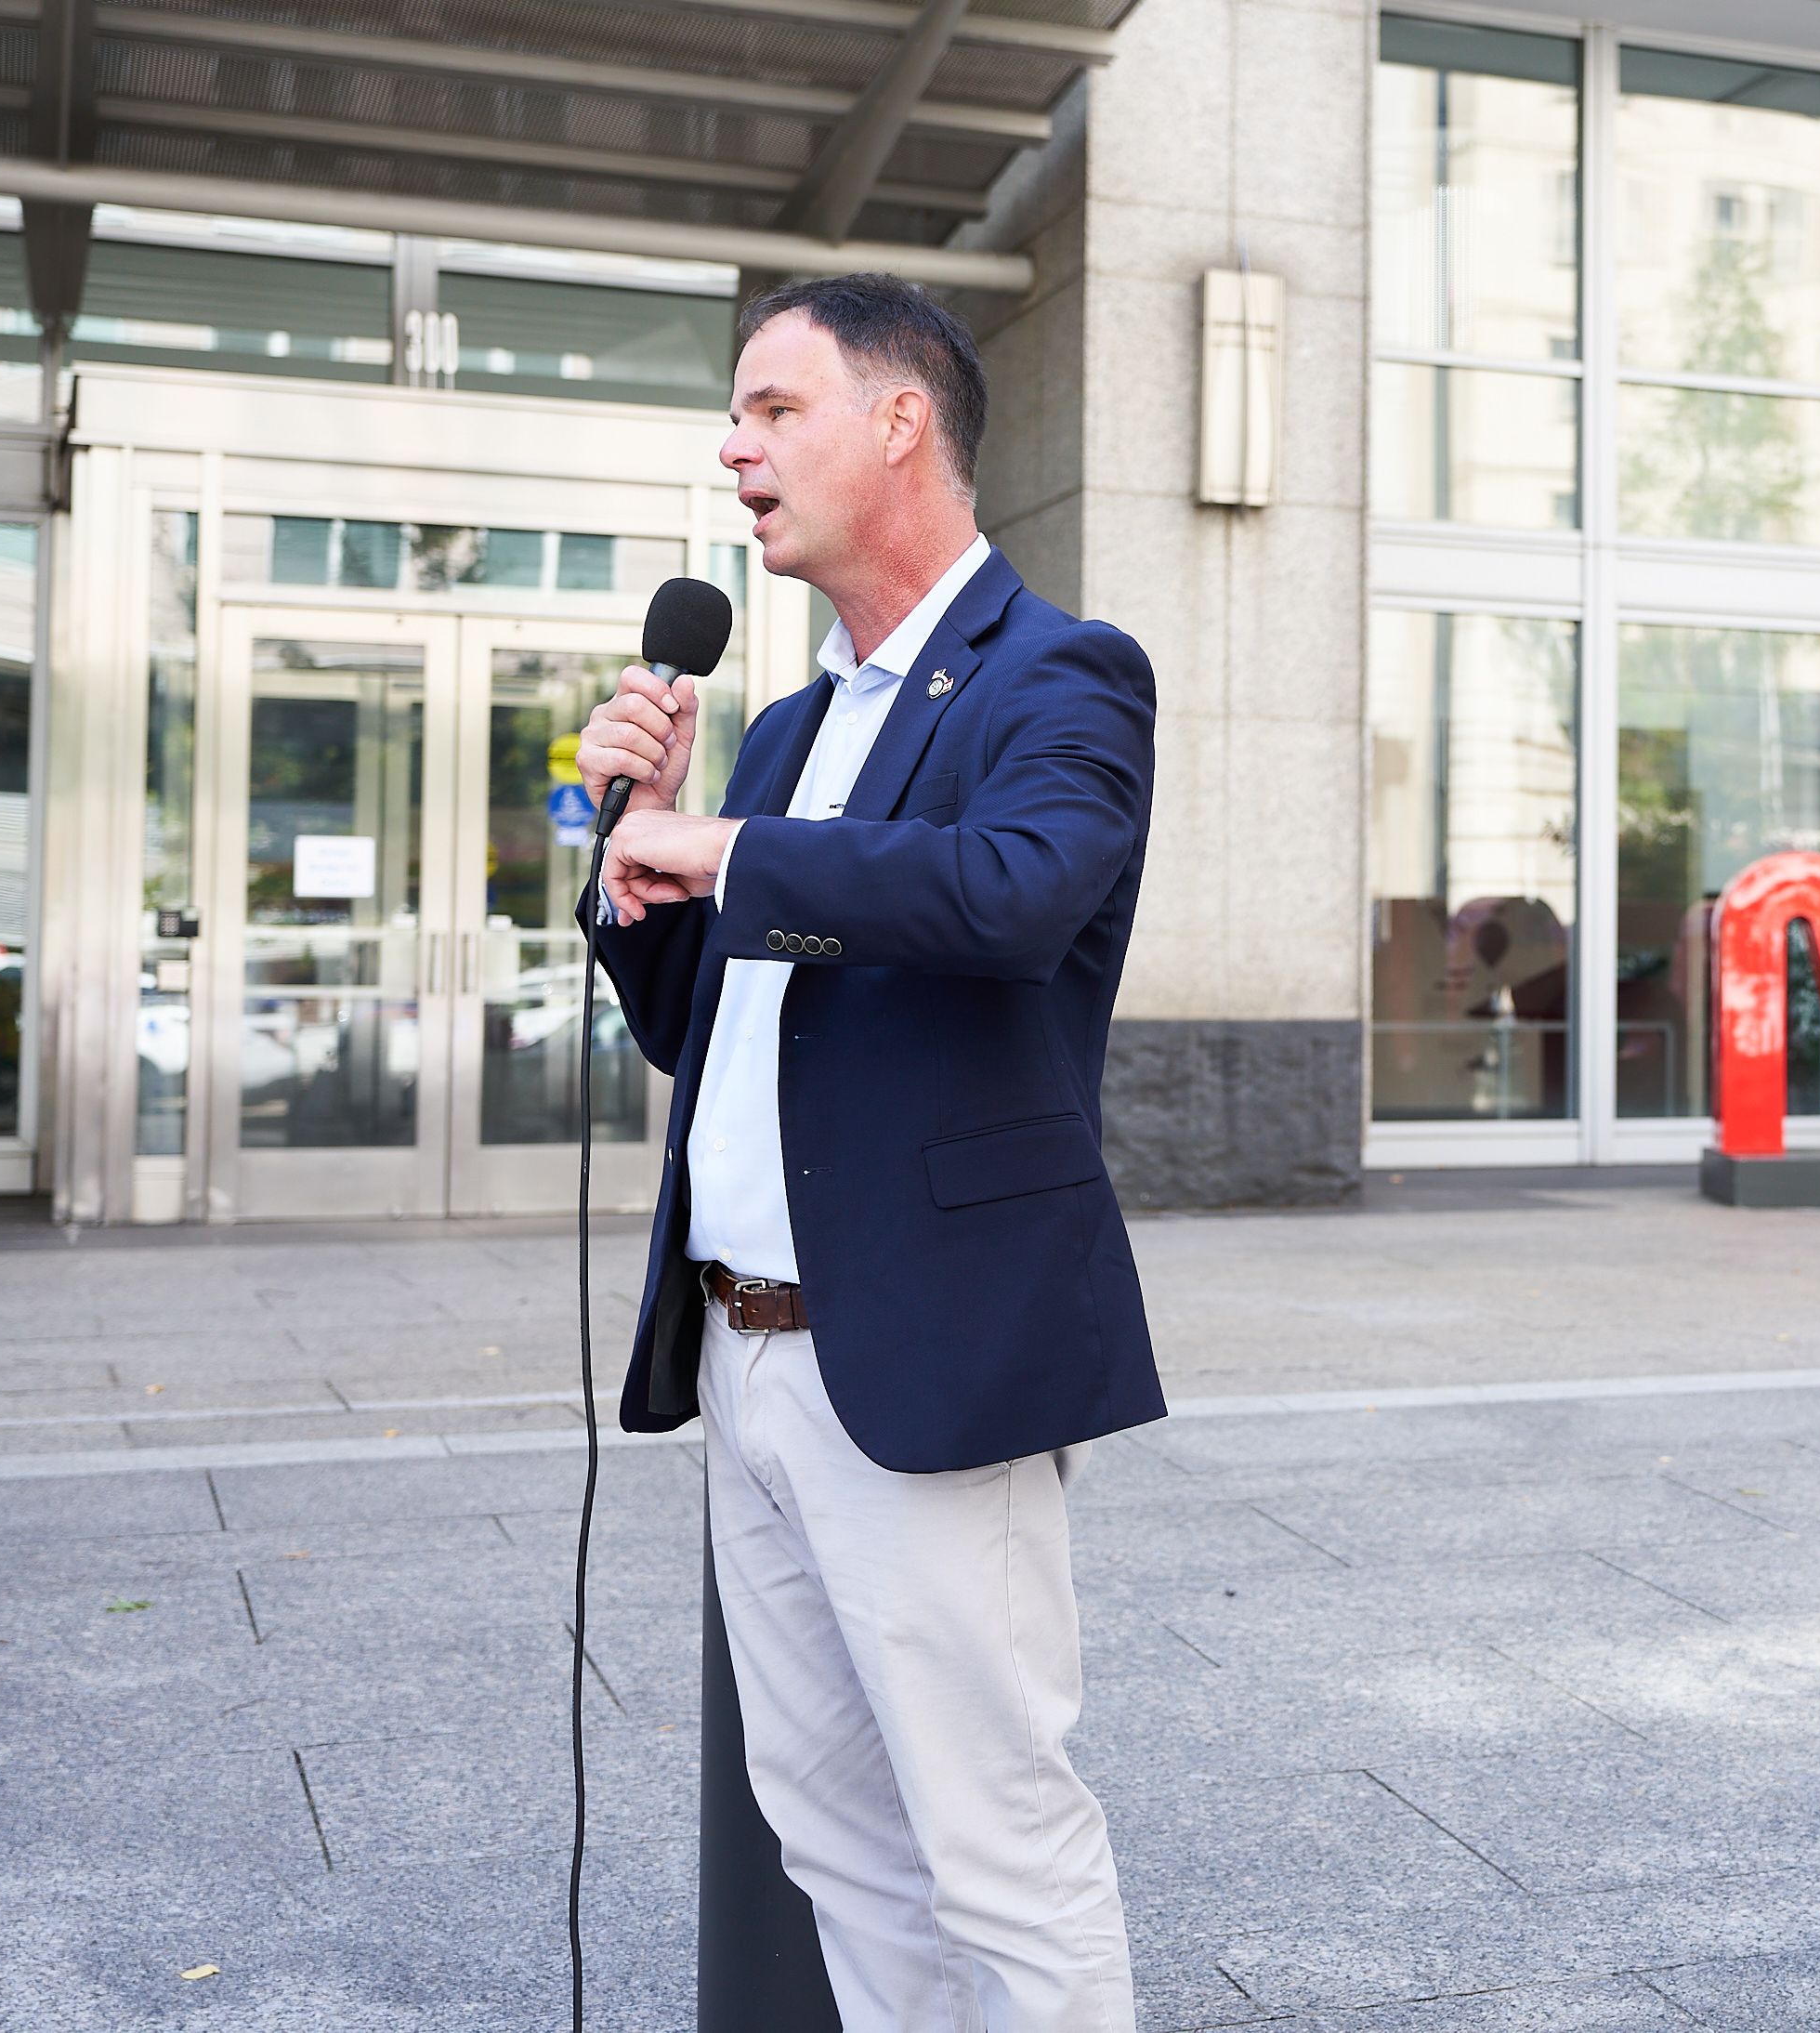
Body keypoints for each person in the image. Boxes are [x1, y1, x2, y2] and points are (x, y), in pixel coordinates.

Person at [576, 271, 1159, 2032]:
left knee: (995, 1839)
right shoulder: (787, 725)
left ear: (899, 422)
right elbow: (718, 1025)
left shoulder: (1059, 673)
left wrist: (732, 851)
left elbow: (1010, 895)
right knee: (830, 1834)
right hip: (745, 1354)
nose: (732, 448)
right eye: (735, 417)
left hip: (917, 1348)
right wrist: (633, 864)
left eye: (772, 409)